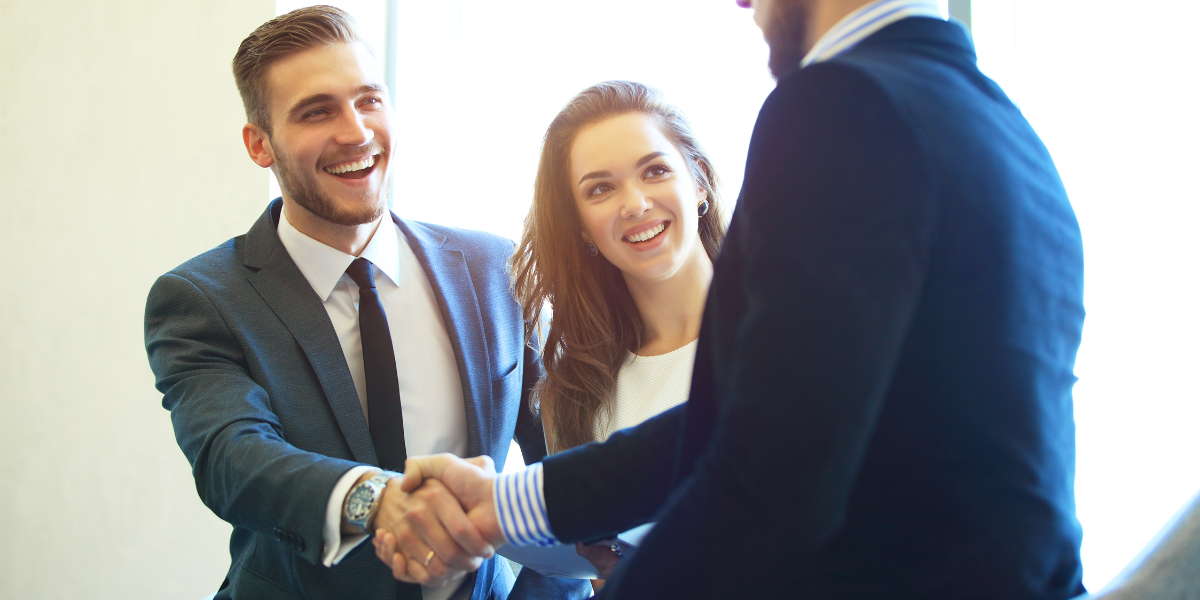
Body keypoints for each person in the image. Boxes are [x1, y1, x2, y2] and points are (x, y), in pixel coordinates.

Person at [378, 0, 1088, 599]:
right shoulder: (1001, 123)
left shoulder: (838, 104)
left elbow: (771, 473)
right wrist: (503, 503)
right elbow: (753, 420)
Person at [142, 6, 589, 600]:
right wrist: (379, 502)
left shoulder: (493, 269)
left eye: (370, 100)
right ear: (259, 145)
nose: (355, 131)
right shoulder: (201, 300)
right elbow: (235, 459)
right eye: (316, 110)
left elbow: (564, 459)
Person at [511, 80, 727, 582]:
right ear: (582, 226)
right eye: (601, 189)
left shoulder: (787, 335)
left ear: (698, 182)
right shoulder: (576, 393)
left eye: (654, 171)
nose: (634, 204)